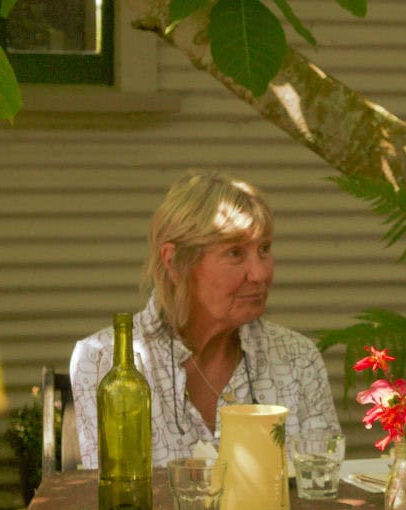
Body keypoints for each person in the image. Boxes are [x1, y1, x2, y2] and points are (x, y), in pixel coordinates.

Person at [71, 170, 339, 469]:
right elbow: (111, 496)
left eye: (264, 249)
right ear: (174, 262)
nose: (261, 273)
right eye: (235, 252)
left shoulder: (297, 358)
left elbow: (322, 488)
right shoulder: (105, 360)